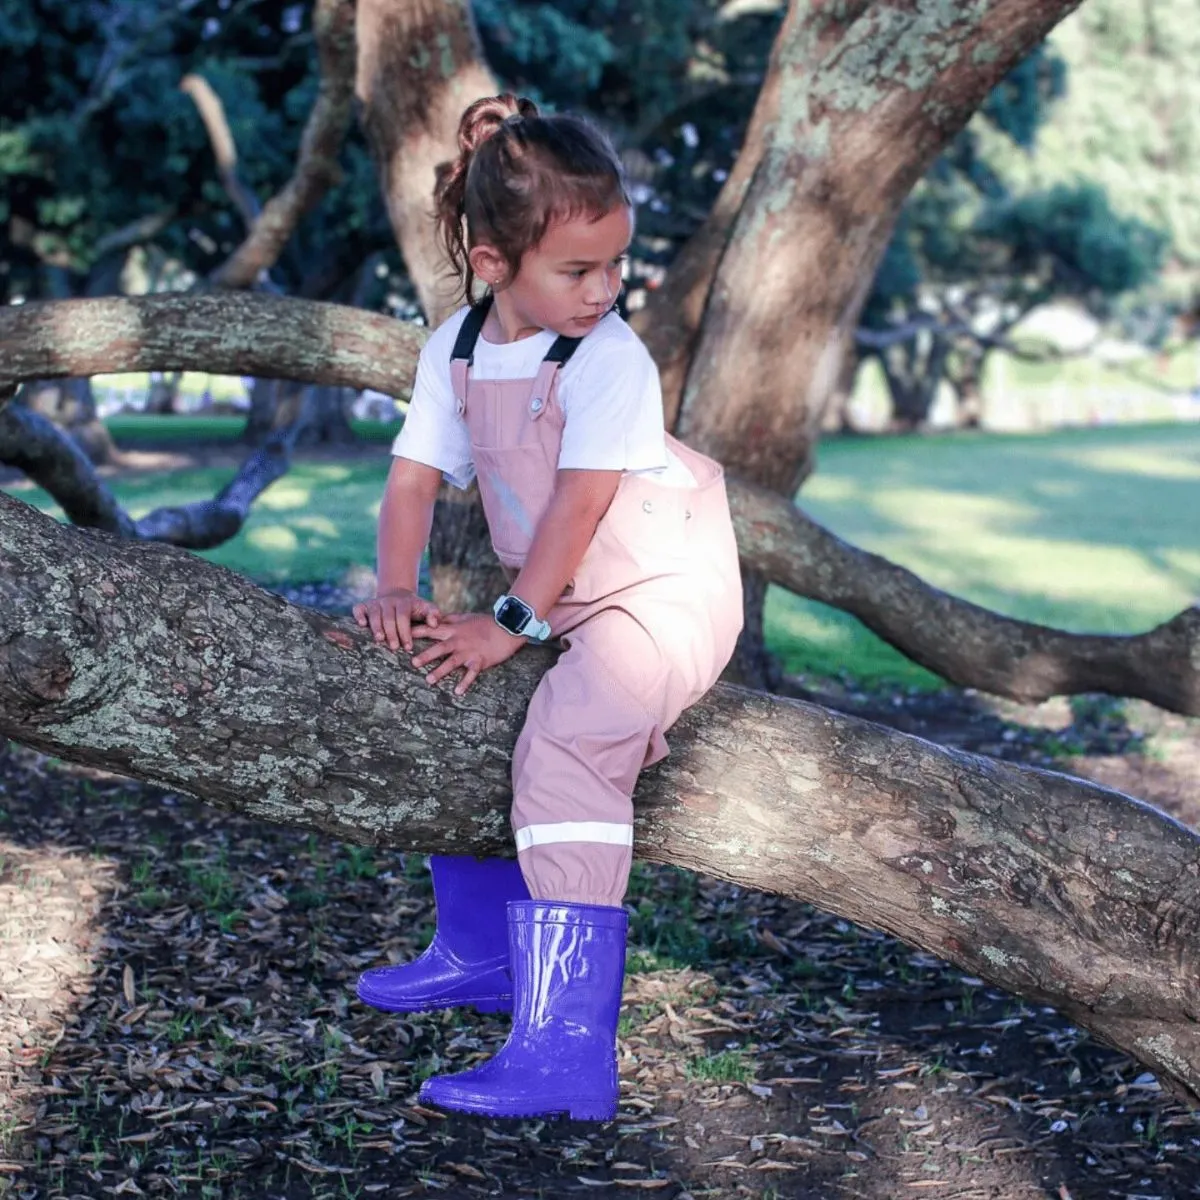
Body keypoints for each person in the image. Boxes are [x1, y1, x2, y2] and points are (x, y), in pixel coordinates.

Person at [352, 93, 743, 1122]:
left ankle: (568, 1051)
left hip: (661, 588)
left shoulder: (609, 358)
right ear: (491, 265)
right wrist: (397, 586)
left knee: (569, 739)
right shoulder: (458, 351)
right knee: (448, 697)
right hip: (565, 597)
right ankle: (479, 953)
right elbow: (411, 482)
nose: (607, 290)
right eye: (580, 270)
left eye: (617, 264)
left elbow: (579, 505)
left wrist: (512, 623)